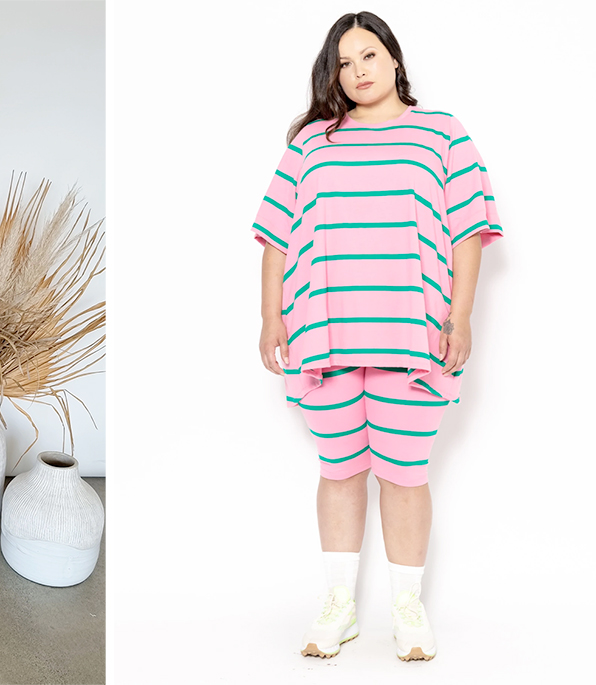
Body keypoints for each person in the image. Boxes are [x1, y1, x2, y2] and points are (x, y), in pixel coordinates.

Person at [253, 11, 502, 663]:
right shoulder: (312, 142)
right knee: (338, 470)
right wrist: (269, 315)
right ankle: (339, 604)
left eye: (368, 55)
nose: (357, 70)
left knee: (404, 472)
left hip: (413, 338)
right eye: (343, 62)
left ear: (394, 59)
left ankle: (407, 607)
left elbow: (469, 229)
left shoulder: (441, 134)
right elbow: (276, 236)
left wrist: (462, 314)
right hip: (325, 334)